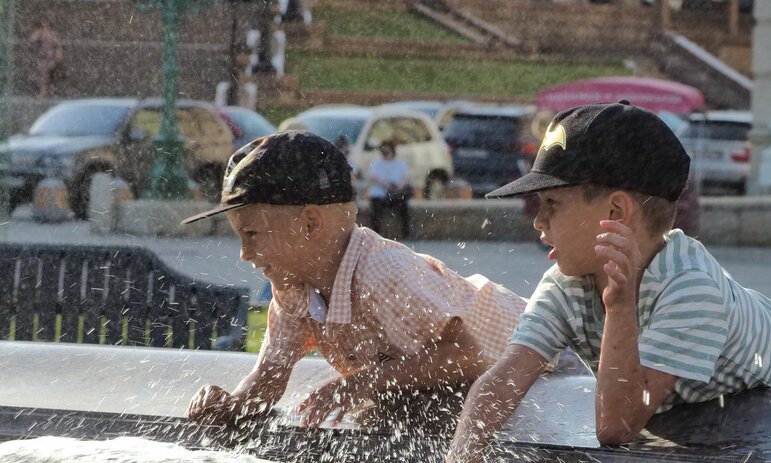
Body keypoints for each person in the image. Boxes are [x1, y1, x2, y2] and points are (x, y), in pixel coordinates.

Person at [423, 102, 771, 463]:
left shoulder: (690, 288)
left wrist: (619, 304)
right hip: (714, 402)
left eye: (552, 202)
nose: (539, 221)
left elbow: (616, 426)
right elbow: (502, 380)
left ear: (615, 213)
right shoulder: (566, 282)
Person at [180, 130, 528, 430]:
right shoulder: (293, 290)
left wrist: (362, 384)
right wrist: (232, 403)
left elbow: (467, 357)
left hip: (540, 360)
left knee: (392, 414)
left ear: (310, 224)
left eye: (252, 234)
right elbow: (270, 376)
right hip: (454, 385)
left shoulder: (382, 273)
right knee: (387, 415)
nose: (244, 253)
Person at [366, 140, 412, 240]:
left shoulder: (400, 162)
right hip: (380, 193)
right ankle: (375, 234)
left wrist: (399, 187)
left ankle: (406, 233)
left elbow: (406, 177)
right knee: (376, 209)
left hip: (396, 193)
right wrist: (386, 185)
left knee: (404, 208)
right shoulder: (377, 162)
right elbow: (373, 177)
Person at [29, 19, 64, 97]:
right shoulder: (40, 33)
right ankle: (43, 91)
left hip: (52, 58)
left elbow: (58, 45)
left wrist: (59, 54)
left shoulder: (53, 34)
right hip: (42, 58)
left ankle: (51, 91)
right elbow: (32, 39)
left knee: (52, 75)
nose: (45, 27)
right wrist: (39, 31)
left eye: (46, 25)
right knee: (42, 74)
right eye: (43, 25)